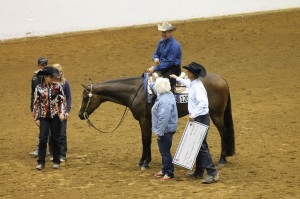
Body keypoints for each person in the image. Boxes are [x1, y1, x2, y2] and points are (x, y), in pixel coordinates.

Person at [170, 62, 219, 184]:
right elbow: (188, 84)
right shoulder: (194, 83)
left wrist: (193, 114)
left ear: (191, 74)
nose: (186, 73)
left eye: (188, 72)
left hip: (200, 118)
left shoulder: (197, 88)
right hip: (200, 118)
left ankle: (212, 173)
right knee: (198, 145)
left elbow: (203, 103)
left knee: (201, 146)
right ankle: (199, 171)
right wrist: (177, 78)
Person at [32, 66, 66, 170]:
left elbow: (62, 101)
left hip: (55, 116)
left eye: (52, 77)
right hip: (43, 116)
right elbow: (36, 104)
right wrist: (36, 118)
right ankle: (41, 162)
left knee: (55, 139)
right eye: (50, 77)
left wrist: (62, 113)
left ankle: (56, 161)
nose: (52, 79)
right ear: (45, 77)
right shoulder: (38, 88)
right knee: (42, 139)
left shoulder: (58, 87)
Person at [150, 77, 178, 181]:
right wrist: (152, 82)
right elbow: (157, 90)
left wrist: (159, 132)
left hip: (165, 130)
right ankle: (164, 169)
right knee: (164, 151)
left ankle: (169, 173)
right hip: (168, 128)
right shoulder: (167, 94)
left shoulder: (164, 102)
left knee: (165, 152)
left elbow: (163, 118)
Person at [146, 22, 182, 91]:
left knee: (166, 84)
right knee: (145, 75)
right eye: (162, 32)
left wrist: (154, 69)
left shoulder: (175, 46)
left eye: (165, 32)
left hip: (173, 69)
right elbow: (156, 54)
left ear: (170, 32)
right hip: (163, 66)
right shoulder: (161, 42)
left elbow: (169, 62)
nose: (163, 34)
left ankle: (171, 97)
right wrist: (156, 58)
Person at [49, 63, 72, 162]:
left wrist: (67, 111)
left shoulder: (65, 83)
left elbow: (69, 98)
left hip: (62, 111)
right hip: (51, 112)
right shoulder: (49, 83)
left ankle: (62, 154)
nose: (59, 74)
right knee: (51, 134)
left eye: (60, 71)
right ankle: (53, 153)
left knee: (62, 134)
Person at [29, 57, 48, 157]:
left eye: (45, 64)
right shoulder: (36, 78)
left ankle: (42, 149)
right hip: (39, 107)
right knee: (43, 128)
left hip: (48, 106)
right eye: (42, 64)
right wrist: (33, 106)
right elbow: (36, 93)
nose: (44, 66)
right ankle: (41, 148)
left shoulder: (49, 75)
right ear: (38, 65)